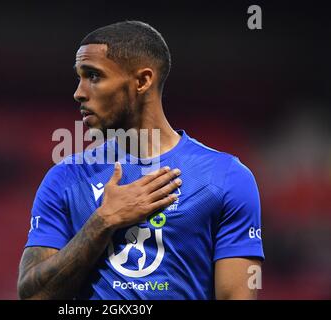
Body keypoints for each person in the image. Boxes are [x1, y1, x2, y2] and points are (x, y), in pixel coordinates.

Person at [17, 21, 264, 300]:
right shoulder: (65, 178)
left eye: (94, 76)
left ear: (143, 81)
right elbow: (33, 296)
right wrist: (103, 221)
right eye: (79, 77)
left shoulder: (226, 178)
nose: (79, 92)